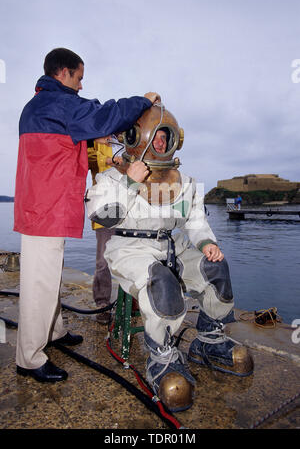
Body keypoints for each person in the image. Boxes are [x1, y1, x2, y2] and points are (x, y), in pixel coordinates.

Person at [85, 104, 254, 412]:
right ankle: (161, 358)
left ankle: (209, 339)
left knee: (215, 270)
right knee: (161, 284)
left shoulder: (184, 182)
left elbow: (196, 221)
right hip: (130, 250)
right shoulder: (112, 178)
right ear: (135, 137)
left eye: (165, 137)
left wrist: (206, 244)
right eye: (154, 136)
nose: (159, 143)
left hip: (173, 245)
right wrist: (131, 182)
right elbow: (101, 216)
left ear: (175, 140)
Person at [13, 47, 160, 383]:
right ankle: (29, 358)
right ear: (63, 73)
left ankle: (53, 332)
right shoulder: (59, 103)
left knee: (50, 279)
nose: (81, 84)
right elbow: (103, 114)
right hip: (44, 211)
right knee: (39, 284)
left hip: (45, 207)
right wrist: (143, 100)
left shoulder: (43, 104)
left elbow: (84, 131)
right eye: (79, 77)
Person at [87, 136, 123, 324]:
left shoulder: (128, 141)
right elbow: (85, 159)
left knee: (135, 255)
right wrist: (108, 160)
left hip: (130, 207)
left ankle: (132, 302)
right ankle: (102, 305)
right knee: (103, 261)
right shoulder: (93, 142)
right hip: (105, 210)